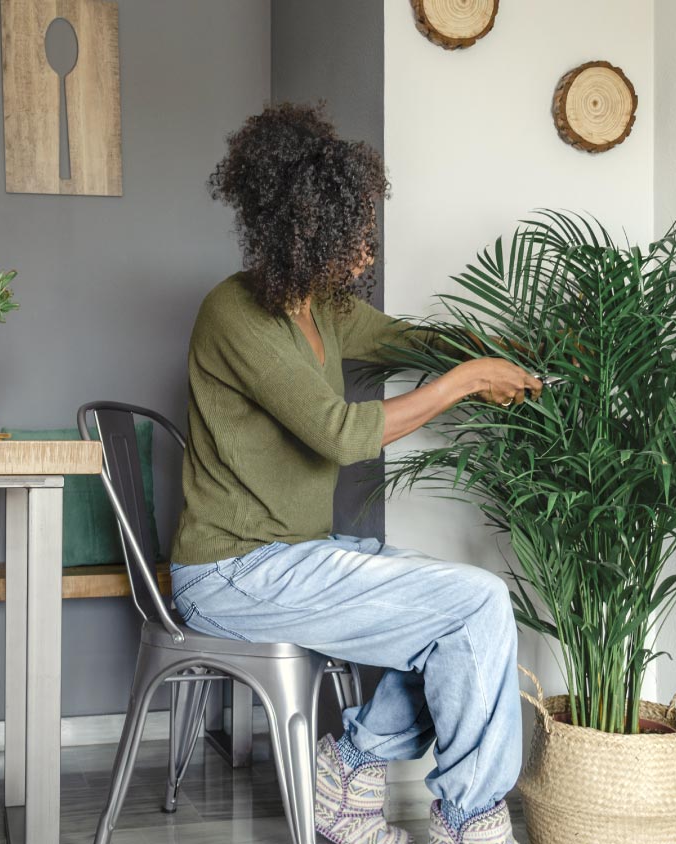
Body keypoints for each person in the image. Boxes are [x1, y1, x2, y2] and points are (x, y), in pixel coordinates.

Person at [168, 103, 542, 844]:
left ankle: (350, 772)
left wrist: (501, 350)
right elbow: (339, 434)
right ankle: (470, 822)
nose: (366, 253)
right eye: (353, 236)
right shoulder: (235, 313)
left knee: (461, 619)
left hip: (298, 557)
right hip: (231, 573)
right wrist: (465, 382)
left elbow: (410, 338)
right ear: (303, 229)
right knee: (475, 604)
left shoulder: (325, 310)